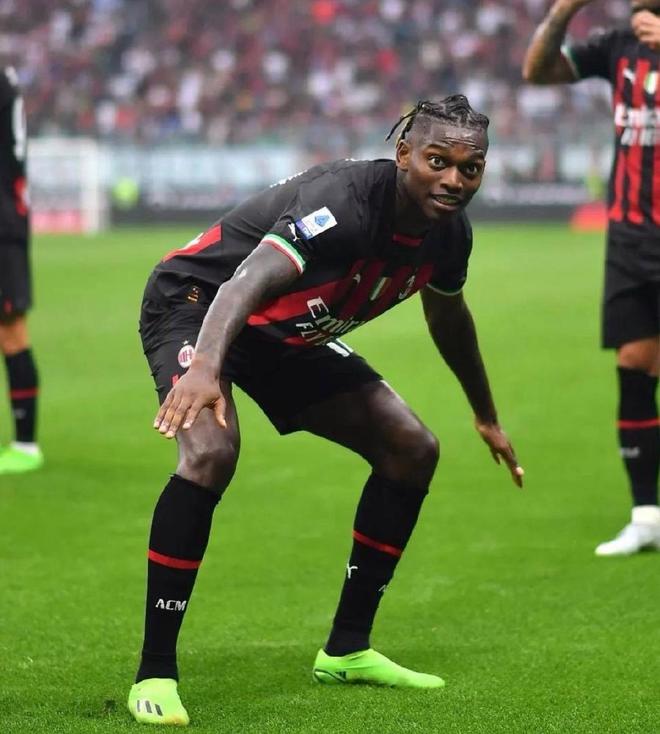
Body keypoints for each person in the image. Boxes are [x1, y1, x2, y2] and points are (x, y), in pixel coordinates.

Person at [128, 95, 524, 726]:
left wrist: (486, 416)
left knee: (411, 448)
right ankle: (155, 671)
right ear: (404, 155)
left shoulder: (449, 236)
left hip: (282, 333)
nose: (453, 179)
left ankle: (347, 650)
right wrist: (203, 369)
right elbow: (243, 284)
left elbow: (448, 317)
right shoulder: (344, 204)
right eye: (437, 161)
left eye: (469, 168)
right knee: (210, 452)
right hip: (199, 304)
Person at [523, 0, 660, 556]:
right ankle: (646, 516)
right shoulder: (617, 46)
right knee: (634, 366)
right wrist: (563, 12)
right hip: (631, 238)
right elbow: (537, 71)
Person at [0, 66, 42, 475]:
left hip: (3, 226)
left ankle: (26, 445)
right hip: (9, 218)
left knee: (11, 333)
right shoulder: (8, 79)